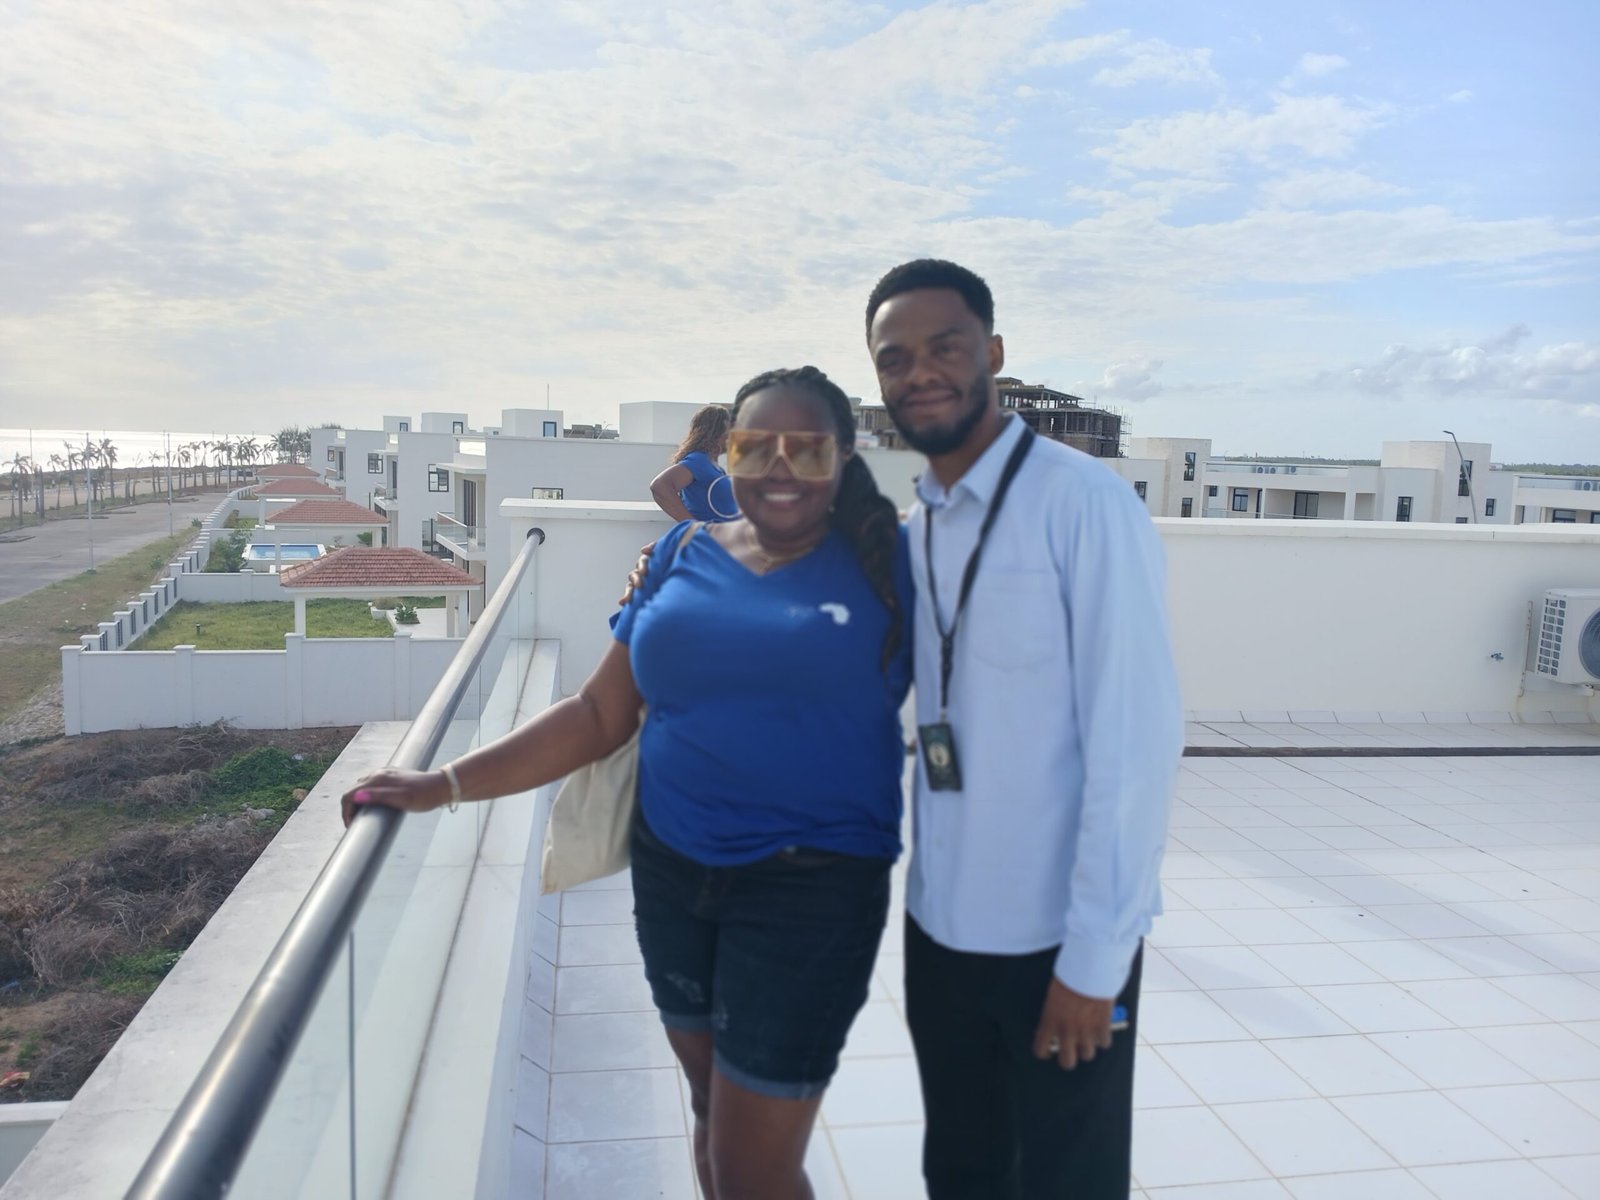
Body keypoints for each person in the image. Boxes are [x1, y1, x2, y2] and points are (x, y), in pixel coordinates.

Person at [342, 365, 911, 1200]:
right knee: (711, 1111)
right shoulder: (681, 552)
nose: (780, 464)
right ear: (730, 454)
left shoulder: (891, 563)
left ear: (845, 455)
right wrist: (444, 783)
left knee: (753, 1162)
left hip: (812, 889)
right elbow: (599, 713)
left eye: (808, 445)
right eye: (757, 445)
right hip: (676, 875)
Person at [864, 259, 1182, 1199]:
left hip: (1056, 942)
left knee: (1067, 1181)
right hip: (941, 930)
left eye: (945, 346)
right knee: (964, 1172)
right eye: (894, 358)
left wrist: (1096, 963)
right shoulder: (918, 526)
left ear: (994, 352)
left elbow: (1134, 745)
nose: (921, 372)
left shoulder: (1082, 503)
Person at [649, 403, 740, 522]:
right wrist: (691, 524)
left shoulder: (714, 467)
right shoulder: (699, 461)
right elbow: (660, 486)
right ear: (716, 434)